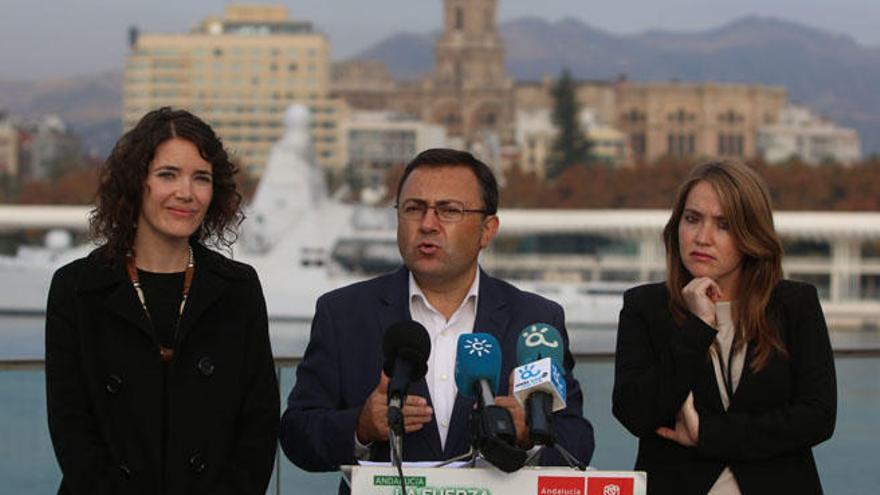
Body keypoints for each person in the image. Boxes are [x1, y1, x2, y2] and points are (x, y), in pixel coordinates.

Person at [280, 148, 594, 490]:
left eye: (449, 210)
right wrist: (360, 427)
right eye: (414, 208)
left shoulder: (535, 320)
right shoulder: (343, 313)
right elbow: (297, 435)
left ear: (487, 230)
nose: (428, 224)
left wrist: (529, 433)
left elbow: (577, 441)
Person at [45, 107, 279, 495]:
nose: (185, 193)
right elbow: (71, 428)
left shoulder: (238, 288)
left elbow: (259, 425)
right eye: (167, 174)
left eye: (200, 178)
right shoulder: (77, 288)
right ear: (136, 183)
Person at [612, 160, 836, 494]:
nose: (702, 238)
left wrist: (708, 434)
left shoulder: (795, 305)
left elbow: (816, 417)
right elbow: (635, 413)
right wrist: (698, 327)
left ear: (751, 233)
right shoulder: (644, 307)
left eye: (724, 225)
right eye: (692, 219)